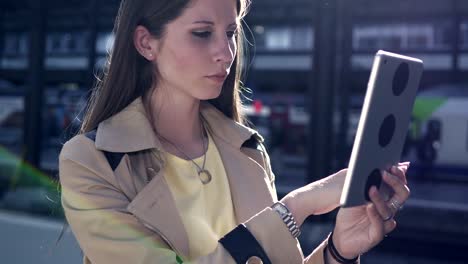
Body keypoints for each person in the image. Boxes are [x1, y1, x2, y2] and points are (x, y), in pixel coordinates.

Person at [58, 0, 411, 263]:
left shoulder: (247, 149)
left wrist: (340, 250)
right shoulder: (90, 162)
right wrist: (295, 208)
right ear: (146, 43)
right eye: (201, 34)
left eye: (230, 33)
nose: (225, 53)